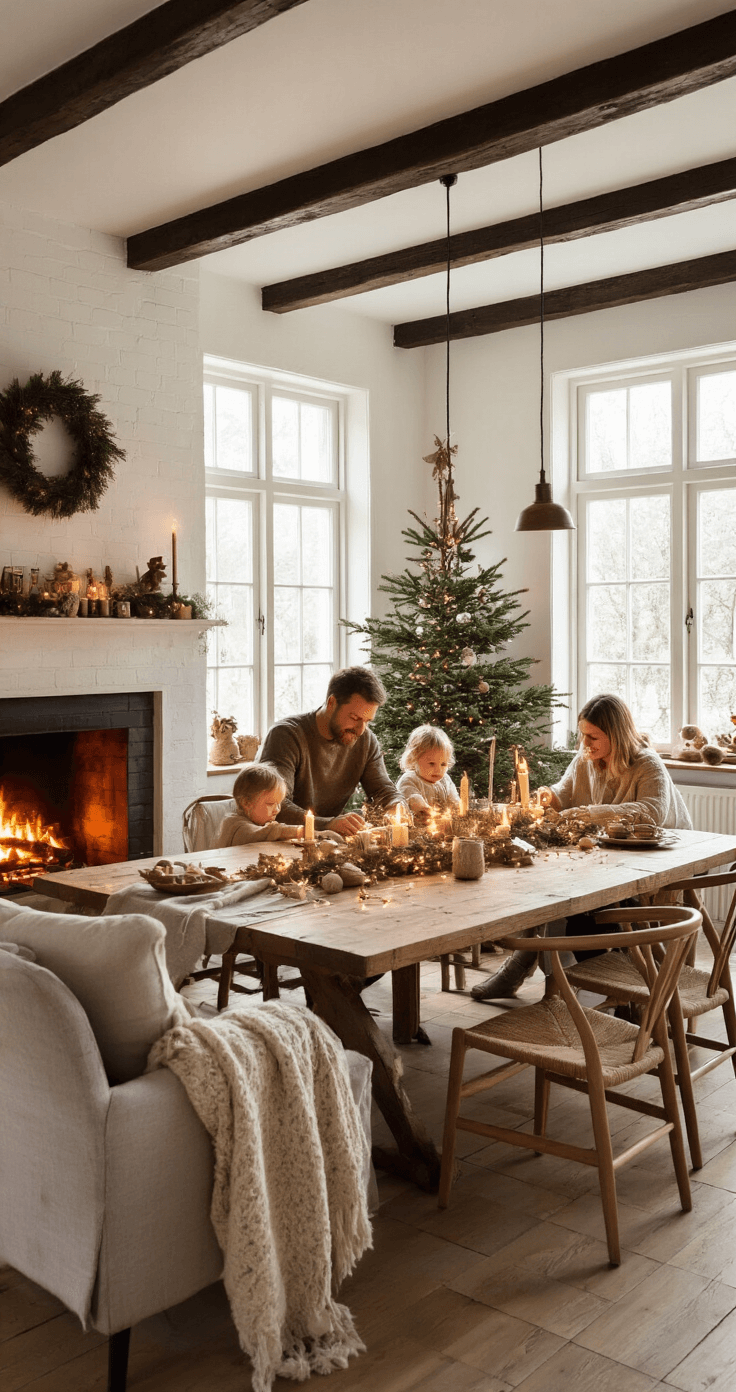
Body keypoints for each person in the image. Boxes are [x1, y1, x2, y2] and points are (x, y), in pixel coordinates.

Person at [471, 692, 693, 1002]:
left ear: (615, 735)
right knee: (551, 883)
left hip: (661, 858)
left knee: (579, 905)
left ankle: (539, 969)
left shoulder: (646, 762)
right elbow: (565, 792)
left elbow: (652, 811)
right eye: (582, 735)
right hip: (611, 855)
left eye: (592, 736)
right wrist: (549, 796)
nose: (584, 743)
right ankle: (541, 970)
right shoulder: (585, 758)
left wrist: (591, 812)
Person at [258, 666, 405, 836]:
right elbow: (276, 806)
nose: (360, 730)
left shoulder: (366, 741)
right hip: (277, 839)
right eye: (355, 718)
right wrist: (328, 824)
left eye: (367, 721)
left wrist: (399, 807)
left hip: (327, 839)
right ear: (331, 703)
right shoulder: (286, 735)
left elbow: (383, 790)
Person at [215, 763, 304, 846]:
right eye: (270, 804)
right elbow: (264, 833)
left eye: (278, 803)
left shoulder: (257, 822)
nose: (277, 810)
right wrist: (299, 831)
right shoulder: (235, 826)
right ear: (246, 803)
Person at [397, 725, 460, 816]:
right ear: (415, 758)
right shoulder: (409, 779)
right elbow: (413, 800)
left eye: (443, 764)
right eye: (431, 763)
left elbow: (455, 802)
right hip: (417, 827)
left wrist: (459, 809)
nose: (438, 769)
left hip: (444, 826)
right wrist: (424, 809)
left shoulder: (445, 780)